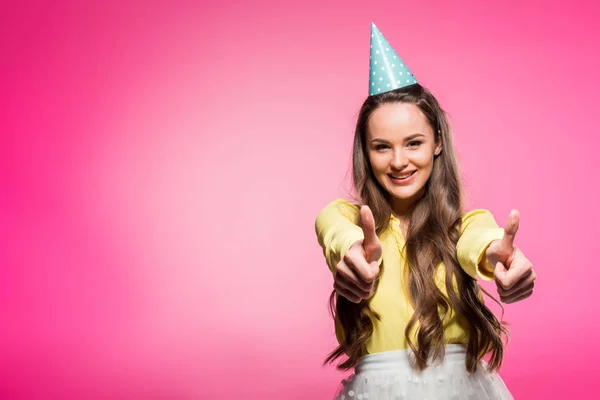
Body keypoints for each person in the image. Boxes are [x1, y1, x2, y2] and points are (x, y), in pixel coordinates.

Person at [315, 23, 536, 400]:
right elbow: (335, 232)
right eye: (382, 147)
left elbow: (479, 242)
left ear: (436, 141)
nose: (399, 161)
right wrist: (353, 254)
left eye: (413, 143)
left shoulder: (464, 225)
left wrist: (501, 258)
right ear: (365, 153)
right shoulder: (345, 218)